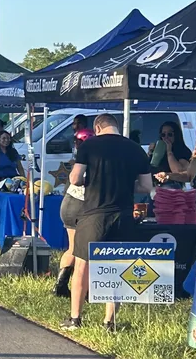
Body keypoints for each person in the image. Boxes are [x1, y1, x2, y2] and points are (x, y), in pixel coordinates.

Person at [62, 113, 153, 331]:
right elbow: (146, 186)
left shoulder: (90, 145)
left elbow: (74, 179)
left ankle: (75, 319)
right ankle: (109, 321)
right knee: (116, 268)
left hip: (94, 213)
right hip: (123, 214)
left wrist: (93, 181)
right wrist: (121, 183)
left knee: (82, 265)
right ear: (116, 126)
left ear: (98, 127)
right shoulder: (135, 148)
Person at [53, 127, 93, 298]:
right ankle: (85, 288)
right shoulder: (90, 159)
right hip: (80, 205)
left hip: (69, 203)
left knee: (73, 247)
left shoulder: (76, 159)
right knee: (85, 250)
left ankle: (60, 285)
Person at [150, 119, 196, 225]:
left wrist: (169, 151)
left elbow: (179, 171)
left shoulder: (182, 151)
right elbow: (150, 168)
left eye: (170, 134)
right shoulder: (158, 151)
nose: (166, 138)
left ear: (176, 135)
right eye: (163, 135)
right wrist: (151, 154)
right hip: (156, 191)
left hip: (172, 191)